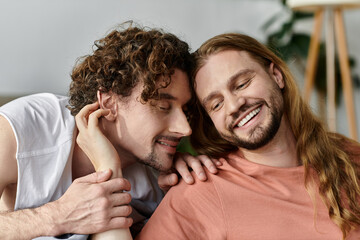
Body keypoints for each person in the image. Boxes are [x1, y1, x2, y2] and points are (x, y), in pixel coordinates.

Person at [0, 22, 218, 240]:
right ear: (109, 103)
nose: (185, 128)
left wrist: (177, 197)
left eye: (186, 111)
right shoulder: (26, 128)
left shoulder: (160, 178)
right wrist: (57, 215)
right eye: (163, 107)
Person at [137, 33, 360, 240]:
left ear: (276, 75)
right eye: (216, 104)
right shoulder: (201, 192)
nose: (234, 105)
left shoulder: (350, 158)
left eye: (242, 84)